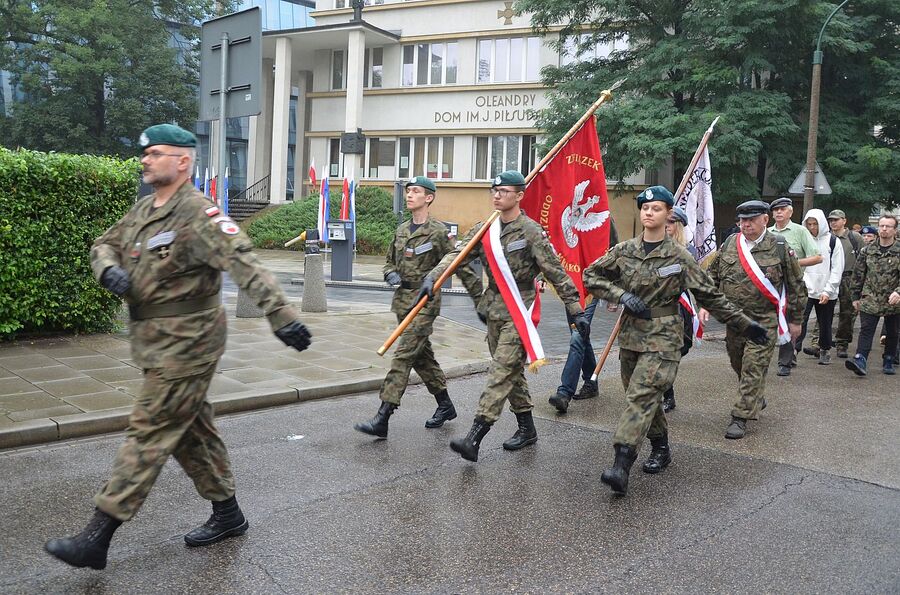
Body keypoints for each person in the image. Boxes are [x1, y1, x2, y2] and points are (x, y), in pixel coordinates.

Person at [44, 124, 312, 570]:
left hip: (190, 342)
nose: (146, 159)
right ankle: (228, 514)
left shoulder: (198, 214)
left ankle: (96, 535)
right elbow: (103, 244)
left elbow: (243, 260)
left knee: (149, 429)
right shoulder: (145, 210)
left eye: (156, 153)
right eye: (144, 153)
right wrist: (107, 270)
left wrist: (280, 315)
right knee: (191, 429)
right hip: (154, 343)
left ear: (183, 161)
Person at [584, 187, 766, 495]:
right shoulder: (625, 250)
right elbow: (591, 276)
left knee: (640, 395)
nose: (649, 213)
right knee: (642, 397)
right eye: (645, 207)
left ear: (669, 214)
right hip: (631, 334)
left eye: (656, 208)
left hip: (664, 336)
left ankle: (621, 465)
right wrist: (622, 295)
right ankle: (661, 446)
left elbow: (710, 295)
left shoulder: (679, 256)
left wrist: (744, 324)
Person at [420, 171, 590, 462]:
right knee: (511, 372)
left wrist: (575, 308)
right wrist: (433, 277)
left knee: (500, 372)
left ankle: (475, 435)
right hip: (494, 310)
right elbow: (457, 255)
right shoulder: (486, 228)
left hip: (520, 309)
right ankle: (527, 428)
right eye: (494, 190)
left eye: (503, 191)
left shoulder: (531, 231)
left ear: (520, 195)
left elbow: (554, 271)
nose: (496, 195)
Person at [354, 177, 478, 438]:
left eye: (416, 192)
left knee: (403, 355)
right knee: (422, 356)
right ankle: (445, 405)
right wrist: (390, 275)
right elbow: (389, 262)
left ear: (429, 198)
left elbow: (455, 262)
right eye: (408, 191)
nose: (410, 195)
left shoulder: (439, 232)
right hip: (402, 300)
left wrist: (478, 296)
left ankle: (383, 415)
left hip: (424, 303)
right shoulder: (401, 230)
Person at [705, 200, 805, 439]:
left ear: (765, 220)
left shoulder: (779, 246)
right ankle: (755, 396)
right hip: (735, 320)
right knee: (738, 362)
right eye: (742, 220)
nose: (746, 224)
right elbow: (713, 275)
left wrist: (796, 320)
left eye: (751, 220)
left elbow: (796, 285)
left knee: (752, 367)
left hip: (764, 320)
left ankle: (740, 417)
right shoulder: (731, 243)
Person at [549, 219, 619, 414]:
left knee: (577, 336)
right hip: (570, 285)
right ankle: (591, 381)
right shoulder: (565, 213)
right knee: (581, 333)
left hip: (591, 286)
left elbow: (613, 252)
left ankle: (564, 392)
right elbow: (555, 248)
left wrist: (613, 292)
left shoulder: (603, 216)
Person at [768, 197, 821, 376]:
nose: (779, 213)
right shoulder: (767, 233)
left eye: (783, 209)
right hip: (768, 286)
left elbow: (817, 257)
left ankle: (786, 361)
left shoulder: (800, 231)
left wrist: (794, 262)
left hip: (791, 285)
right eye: (776, 210)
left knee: (790, 323)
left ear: (790, 212)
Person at [846, 215, 900, 376]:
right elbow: (858, 275)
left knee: (892, 332)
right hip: (870, 297)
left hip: (893, 299)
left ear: (894, 230)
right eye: (882, 225)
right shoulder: (867, 250)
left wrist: (898, 292)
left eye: (888, 226)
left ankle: (889, 358)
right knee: (866, 330)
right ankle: (860, 358)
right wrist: (855, 297)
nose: (884, 229)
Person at [805, 210, 863, 359]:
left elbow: (863, 257)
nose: (833, 223)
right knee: (823, 312)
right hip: (827, 277)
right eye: (831, 220)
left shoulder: (854, 237)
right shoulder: (824, 236)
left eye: (836, 220)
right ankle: (817, 344)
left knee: (847, 313)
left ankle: (842, 343)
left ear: (844, 220)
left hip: (849, 277)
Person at [794, 209, 844, 364]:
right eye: (809, 224)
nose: (812, 227)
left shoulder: (833, 241)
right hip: (806, 288)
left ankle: (824, 349)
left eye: (815, 224)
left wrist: (828, 290)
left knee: (825, 323)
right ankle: (794, 350)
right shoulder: (804, 240)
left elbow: (837, 268)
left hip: (826, 289)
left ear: (821, 224)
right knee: (800, 321)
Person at [659, 206, 697, 412]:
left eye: (671, 222)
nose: (667, 225)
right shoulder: (653, 246)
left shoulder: (687, 251)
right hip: (656, 311)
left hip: (678, 311)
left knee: (672, 354)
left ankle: (667, 394)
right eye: (665, 221)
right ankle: (666, 395)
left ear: (679, 225)